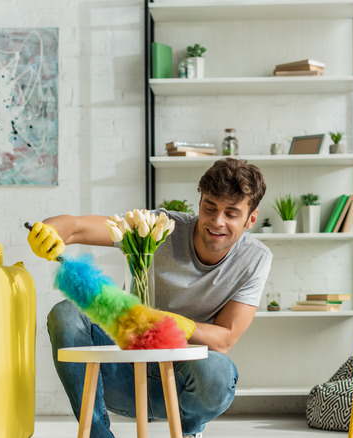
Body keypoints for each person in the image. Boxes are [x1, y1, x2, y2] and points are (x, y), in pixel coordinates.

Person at [27, 157, 272, 438]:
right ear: (199, 203)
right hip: (121, 374)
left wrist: (179, 324)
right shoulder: (159, 228)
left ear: (251, 218)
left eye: (231, 213)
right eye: (210, 207)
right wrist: (50, 229)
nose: (217, 221)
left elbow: (225, 338)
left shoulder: (255, 259)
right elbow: (77, 226)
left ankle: (187, 432)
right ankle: (97, 434)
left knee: (218, 373)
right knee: (65, 313)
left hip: (181, 387)